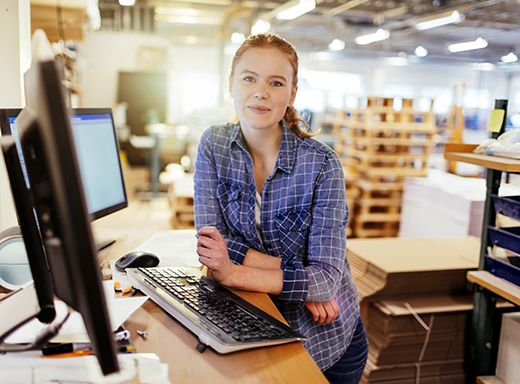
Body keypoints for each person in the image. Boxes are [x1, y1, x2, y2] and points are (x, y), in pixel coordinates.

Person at [194, 33, 367, 383]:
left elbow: (326, 279)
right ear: (231, 84)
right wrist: (300, 281)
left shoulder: (322, 165)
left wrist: (235, 272)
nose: (261, 91)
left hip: (326, 339)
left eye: (276, 82)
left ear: (292, 93)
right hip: (256, 322)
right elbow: (213, 244)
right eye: (249, 78)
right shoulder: (213, 145)